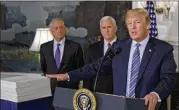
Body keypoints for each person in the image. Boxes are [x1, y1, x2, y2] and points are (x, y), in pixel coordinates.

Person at [46, 8, 177, 110]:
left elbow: (169, 79)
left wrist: (155, 94)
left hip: (147, 107)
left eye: (137, 22)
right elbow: (95, 67)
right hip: (119, 106)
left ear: (148, 25)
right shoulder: (119, 47)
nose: (133, 27)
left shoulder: (163, 49)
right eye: (129, 23)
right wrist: (68, 75)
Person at [40, 18, 84, 110]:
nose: (59, 30)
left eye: (61, 27)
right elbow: (43, 69)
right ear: (51, 31)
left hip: (69, 91)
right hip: (49, 92)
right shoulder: (44, 47)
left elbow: (80, 69)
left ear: (65, 29)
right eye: (56, 28)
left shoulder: (75, 47)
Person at [83, 16, 118, 94]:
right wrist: (86, 95)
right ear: (100, 30)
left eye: (109, 27)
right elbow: (88, 74)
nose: (107, 30)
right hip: (98, 95)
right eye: (103, 28)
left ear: (115, 28)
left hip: (118, 94)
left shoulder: (124, 47)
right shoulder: (93, 48)